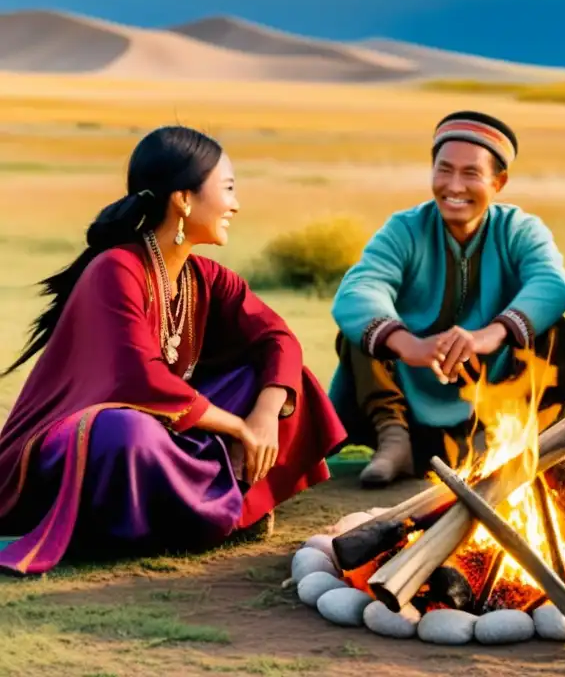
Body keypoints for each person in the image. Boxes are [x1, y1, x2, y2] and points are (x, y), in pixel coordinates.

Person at [0, 126, 348, 575]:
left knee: (285, 381)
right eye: (227, 188)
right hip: (72, 447)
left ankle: (211, 509)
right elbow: (138, 381)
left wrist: (263, 415)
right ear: (184, 200)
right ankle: (211, 512)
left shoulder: (206, 277)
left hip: (165, 430)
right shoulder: (116, 269)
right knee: (125, 433)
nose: (236, 204)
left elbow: (278, 339)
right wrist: (240, 429)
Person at [329, 111, 565, 488]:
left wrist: (487, 336)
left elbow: (554, 284)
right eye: (444, 170)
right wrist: (408, 344)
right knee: (362, 329)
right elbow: (357, 290)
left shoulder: (519, 229)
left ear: (499, 182)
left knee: (551, 329)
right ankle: (393, 440)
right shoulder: (405, 228)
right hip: (412, 396)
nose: (453, 186)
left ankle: (497, 446)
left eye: (471, 173)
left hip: (493, 397)